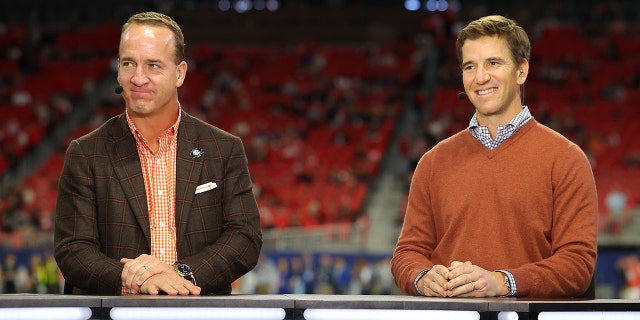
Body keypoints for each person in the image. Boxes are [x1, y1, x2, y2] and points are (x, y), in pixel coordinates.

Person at [54, 12, 263, 295]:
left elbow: (245, 238)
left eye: (153, 65)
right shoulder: (86, 153)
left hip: (198, 314)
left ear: (180, 73)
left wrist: (181, 274)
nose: (138, 78)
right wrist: (137, 279)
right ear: (117, 68)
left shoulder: (223, 149)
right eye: (129, 64)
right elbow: (72, 250)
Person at [390, 15, 597, 298]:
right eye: (470, 66)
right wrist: (423, 278)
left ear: (521, 71)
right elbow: (407, 254)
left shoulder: (566, 159)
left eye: (493, 63)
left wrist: (502, 282)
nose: (480, 77)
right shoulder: (433, 162)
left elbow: (578, 265)